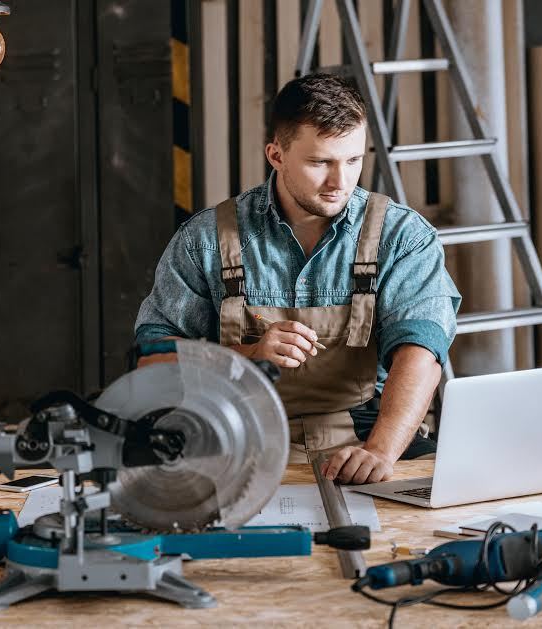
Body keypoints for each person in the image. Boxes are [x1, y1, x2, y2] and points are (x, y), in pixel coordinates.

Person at [134, 73, 461, 484]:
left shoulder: (401, 236)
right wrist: (249, 356)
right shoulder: (205, 240)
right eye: (320, 162)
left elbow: (422, 353)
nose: (339, 182)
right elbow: (153, 362)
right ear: (276, 155)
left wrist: (380, 451)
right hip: (234, 436)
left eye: (354, 161)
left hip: (359, 434)